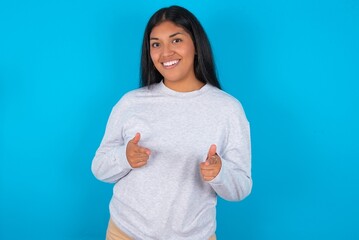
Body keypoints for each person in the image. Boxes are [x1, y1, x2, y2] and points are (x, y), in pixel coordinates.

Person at [91, 5, 252, 240]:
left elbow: (241, 187)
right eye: (156, 44)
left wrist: (220, 172)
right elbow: (99, 168)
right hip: (126, 232)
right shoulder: (131, 102)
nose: (165, 52)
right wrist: (125, 157)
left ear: (196, 45)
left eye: (176, 41)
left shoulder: (227, 109)